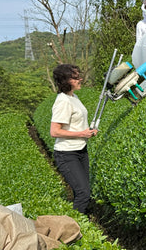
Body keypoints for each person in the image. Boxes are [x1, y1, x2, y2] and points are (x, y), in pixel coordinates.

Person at [50, 64, 97, 214]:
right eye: (76, 77)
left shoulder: (73, 97)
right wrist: (81, 134)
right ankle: (74, 227)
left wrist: (87, 131)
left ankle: (81, 224)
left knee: (82, 191)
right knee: (83, 194)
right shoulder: (63, 101)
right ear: (66, 81)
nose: (80, 79)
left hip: (80, 150)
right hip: (67, 154)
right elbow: (55, 131)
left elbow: (75, 125)